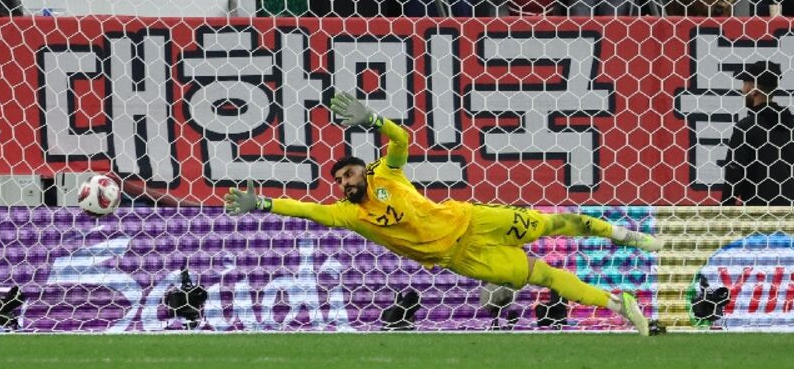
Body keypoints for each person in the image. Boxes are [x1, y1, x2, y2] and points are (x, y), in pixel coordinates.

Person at [223, 92, 659, 336]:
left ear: (362, 169)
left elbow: (401, 140)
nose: (345, 183)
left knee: (550, 224)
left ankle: (624, 235)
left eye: (349, 174)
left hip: (472, 219)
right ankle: (620, 305)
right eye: (339, 180)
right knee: (543, 276)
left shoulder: (386, 173)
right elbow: (306, 211)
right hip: (460, 257)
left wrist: (374, 120)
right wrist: (262, 203)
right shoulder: (349, 214)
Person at [722, 61, 794, 206]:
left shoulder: (746, 127)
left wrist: (725, 210)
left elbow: (735, 176)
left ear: (754, 89)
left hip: (760, 214)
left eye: (745, 84)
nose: (743, 90)